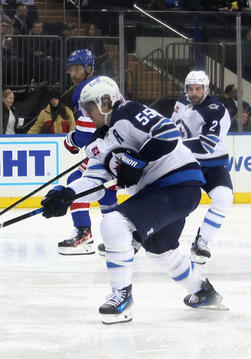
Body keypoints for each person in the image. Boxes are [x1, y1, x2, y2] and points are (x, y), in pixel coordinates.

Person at [40, 76, 227, 324]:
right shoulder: (98, 144)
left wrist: (138, 161)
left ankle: (122, 296)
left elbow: (167, 133)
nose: (86, 113)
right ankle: (203, 292)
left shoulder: (128, 111)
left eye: (90, 107)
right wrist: (68, 194)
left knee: (114, 223)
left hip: (179, 183)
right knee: (161, 250)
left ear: (105, 101)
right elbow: (94, 180)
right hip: (161, 192)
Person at [170, 71, 233, 264]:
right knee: (176, 203)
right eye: (191, 88)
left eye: (198, 88)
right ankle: (145, 237)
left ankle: (202, 242)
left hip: (212, 165)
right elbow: (172, 127)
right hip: (186, 163)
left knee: (223, 197)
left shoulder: (216, 110)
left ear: (207, 89)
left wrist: (173, 144)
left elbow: (206, 145)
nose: (194, 92)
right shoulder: (181, 103)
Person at [60, 49, 118, 256]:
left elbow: (84, 137)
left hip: (110, 149)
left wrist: (70, 140)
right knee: (107, 192)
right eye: (71, 70)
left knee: (76, 181)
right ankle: (117, 239)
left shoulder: (84, 92)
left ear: (89, 68)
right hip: (117, 147)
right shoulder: (104, 84)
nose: (73, 74)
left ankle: (85, 235)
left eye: (77, 69)